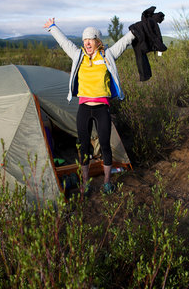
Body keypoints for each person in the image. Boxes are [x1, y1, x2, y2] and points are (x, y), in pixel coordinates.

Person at [43, 17, 135, 195]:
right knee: (84, 147)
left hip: (102, 109)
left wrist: (137, 30)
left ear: (97, 41)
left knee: (105, 146)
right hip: (84, 109)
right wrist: (53, 27)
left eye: (90, 40)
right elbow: (65, 43)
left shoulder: (107, 55)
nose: (86, 43)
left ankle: (107, 182)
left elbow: (124, 42)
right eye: (84, 40)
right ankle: (86, 183)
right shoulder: (78, 56)